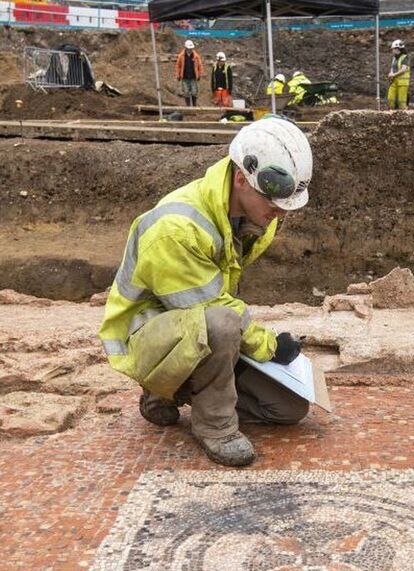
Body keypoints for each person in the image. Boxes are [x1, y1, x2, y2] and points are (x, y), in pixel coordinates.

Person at [99, 117, 314, 467]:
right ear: (242, 179)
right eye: (274, 202)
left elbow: (217, 297)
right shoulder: (176, 228)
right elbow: (213, 308)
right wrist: (270, 345)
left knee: (288, 407)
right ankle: (213, 425)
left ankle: (180, 391)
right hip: (147, 339)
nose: (280, 213)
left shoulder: (255, 217)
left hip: (198, 328)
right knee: (222, 323)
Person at [175, 39, 204, 107]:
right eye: (189, 48)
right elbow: (178, 66)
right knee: (186, 92)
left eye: (191, 48)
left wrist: (199, 75)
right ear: (186, 48)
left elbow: (200, 66)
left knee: (194, 92)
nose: (190, 50)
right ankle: (188, 106)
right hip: (184, 77)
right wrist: (178, 75)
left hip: (193, 77)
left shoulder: (196, 56)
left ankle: (194, 106)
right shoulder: (181, 56)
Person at [387, 40, 411, 110]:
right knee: (390, 98)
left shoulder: (404, 57)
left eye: (393, 49)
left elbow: (403, 69)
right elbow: (392, 68)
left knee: (401, 101)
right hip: (394, 81)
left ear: (397, 49)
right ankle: (392, 113)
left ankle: (403, 114)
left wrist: (394, 75)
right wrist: (391, 73)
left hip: (403, 83)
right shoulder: (394, 58)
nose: (392, 50)